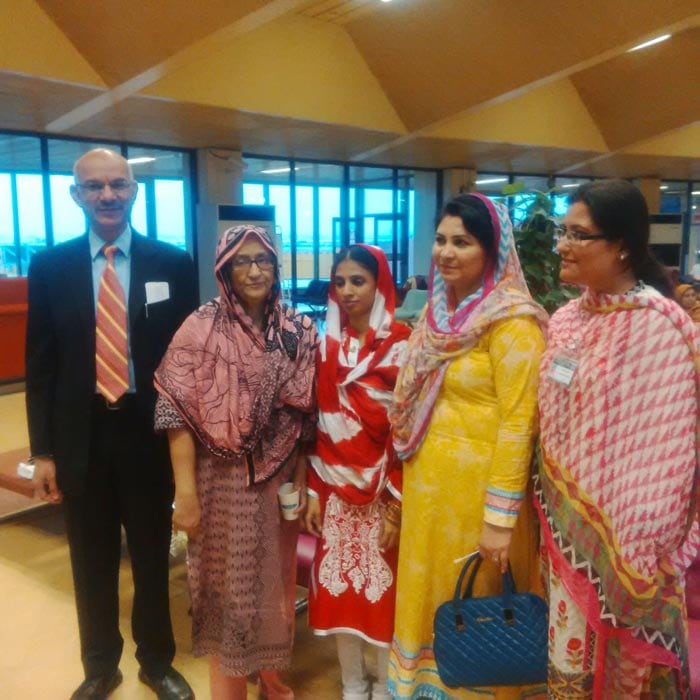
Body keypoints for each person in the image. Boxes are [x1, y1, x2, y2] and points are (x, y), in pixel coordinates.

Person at [25, 148, 198, 699]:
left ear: (134, 192)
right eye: (94, 187)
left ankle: (157, 662)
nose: (107, 196)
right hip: (81, 437)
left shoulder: (171, 263)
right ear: (76, 195)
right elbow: (41, 363)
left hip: (148, 435)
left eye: (118, 185)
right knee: (91, 560)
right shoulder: (50, 266)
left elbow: (188, 361)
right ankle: (100, 666)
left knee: (151, 558)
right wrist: (44, 452)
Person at [536, 179, 699, 698]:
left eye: (579, 234)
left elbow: (671, 446)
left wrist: (642, 543)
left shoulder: (658, 328)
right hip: (566, 531)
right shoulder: (565, 320)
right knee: (568, 666)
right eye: (563, 231)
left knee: (622, 674)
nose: (563, 244)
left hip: (630, 544)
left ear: (622, 245)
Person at [387, 193, 547, 699]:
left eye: (463, 241)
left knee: (479, 606)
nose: (446, 252)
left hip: (481, 502)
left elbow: (520, 423)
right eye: (440, 240)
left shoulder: (513, 324)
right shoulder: (437, 321)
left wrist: (499, 520)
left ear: (493, 251)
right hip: (429, 493)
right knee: (428, 596)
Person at [153, 225, 318, 700]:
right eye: (242, 261)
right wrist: (184, 495)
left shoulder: (297, 329)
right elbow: (174, 412)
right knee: (225, 591)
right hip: (217, 483)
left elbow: (306, 417)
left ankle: (271, 680)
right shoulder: (199, 327)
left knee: (274, 586)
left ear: (276, 266)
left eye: (263, 260)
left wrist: (302, 480)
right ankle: (228, 691)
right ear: (223, 268)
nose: (254, 270)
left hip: (278, 482)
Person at [304, 245, 410, 700]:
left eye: (358, 281)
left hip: (387, 491)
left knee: (386, 594)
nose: (347, 291)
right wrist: (312, 490)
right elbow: (316, 423)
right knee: (341, 591)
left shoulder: (404, 344)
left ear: (380, 284)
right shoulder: (324, 346)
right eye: (340, 282)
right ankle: (352, 682)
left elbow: (409, 431)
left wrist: (396, 503)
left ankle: (385, 686)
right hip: (333, 489)